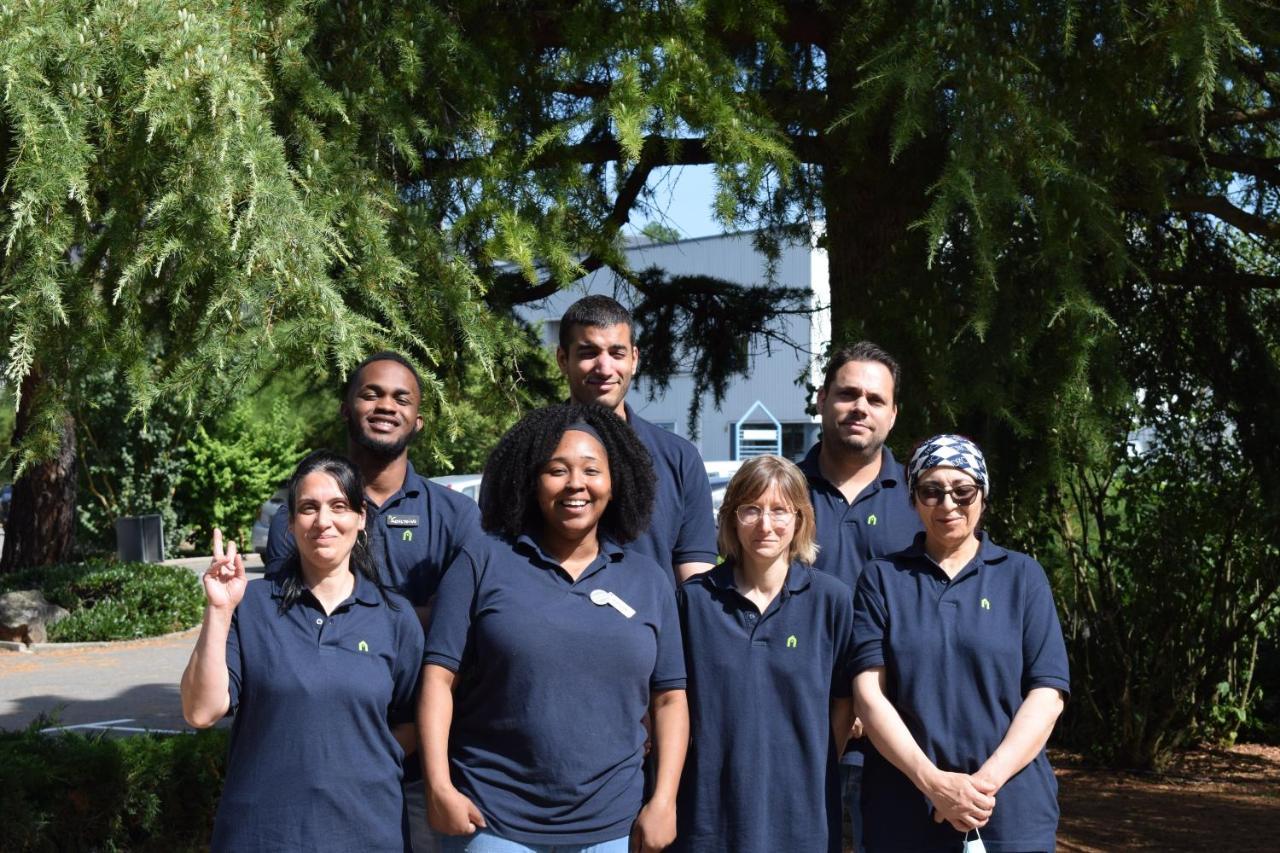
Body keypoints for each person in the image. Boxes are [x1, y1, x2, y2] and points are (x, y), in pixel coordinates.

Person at [419, 403, 689, 853]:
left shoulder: (647, 580)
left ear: (615, 480)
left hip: (613, 829)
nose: (575, 484)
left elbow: (670, 699)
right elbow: (437, 681)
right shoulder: (483, 561)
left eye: (591, 470)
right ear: (532, 480)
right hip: (493, 824)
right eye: (556, 470)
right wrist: (439, 785)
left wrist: (664, 800)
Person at [264, 351, 481, 853]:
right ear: (346, 408)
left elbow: (468, 632)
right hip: (318, 764)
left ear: (418, 419)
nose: (386, 405)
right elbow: (288, 626)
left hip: (429, 767)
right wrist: (420, 614)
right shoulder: (302, 518)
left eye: (401, 397)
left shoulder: (456, 516)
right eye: (371, 393)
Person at [182, 451, 424, 852]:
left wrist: (365, 760)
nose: (323, 521)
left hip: (367, 833)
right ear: (291, 523)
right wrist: (219, 610)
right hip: (260, 835)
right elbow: (200, 712)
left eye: (338, 506)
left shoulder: (394, 617)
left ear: (361, 517)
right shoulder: (252, 605)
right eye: (308, 508)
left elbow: (416, 717)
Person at [852, 435, 1070, 853]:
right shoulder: (881, 579)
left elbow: (1048, 695)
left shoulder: (1022, 577)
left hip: (1010, 813)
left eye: (962, 490)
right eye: (931, 491)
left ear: (982, 496)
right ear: (914, 499)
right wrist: (934, 785)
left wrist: (977, 790)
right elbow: (868, 695)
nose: (948, 504)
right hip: (905, 814)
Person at [673, 455, 854, 853]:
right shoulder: (694, 601)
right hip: (709, 817)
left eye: (779, 510)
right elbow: (672, 704)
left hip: (803, 818)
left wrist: (807, 763)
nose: (765, 524)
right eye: (751, 509)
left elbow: (844, 704)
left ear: (801, 519)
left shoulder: (831, 601)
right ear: (731, 518)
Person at [799, 341, 923, 849]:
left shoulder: (924, 500)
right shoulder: (782, 494)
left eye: (875, 399)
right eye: (848, 394)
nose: (860, 408)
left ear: (893, 415)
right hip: (800, 729)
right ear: (823, 398)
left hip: (901, 739)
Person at [556, 295, 717, 583]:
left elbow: (696, 580)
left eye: (617, 353)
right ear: (562, 359)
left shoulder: (679, 459)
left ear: (634, 359)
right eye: (588, 352)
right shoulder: (528, 452)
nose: (604, 369)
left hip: (656, 627)